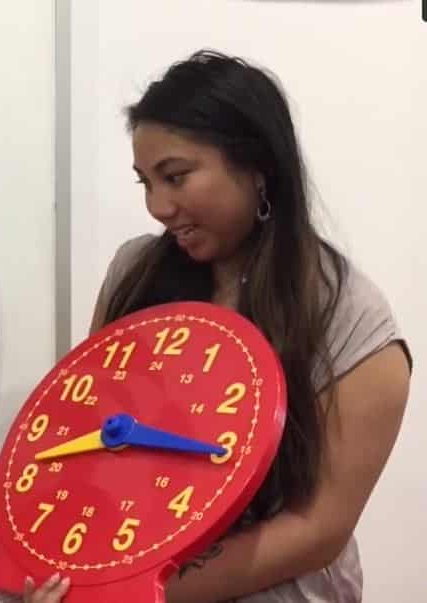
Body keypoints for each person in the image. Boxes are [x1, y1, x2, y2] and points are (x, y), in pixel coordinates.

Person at [90, 50, 412, 603]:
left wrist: (143, 593)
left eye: (176, 176)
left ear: (257, 165)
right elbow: (93, 427)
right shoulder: (133, 273)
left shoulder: (354, 321)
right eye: (145, 182)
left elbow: (315, 533)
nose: (158, 206)